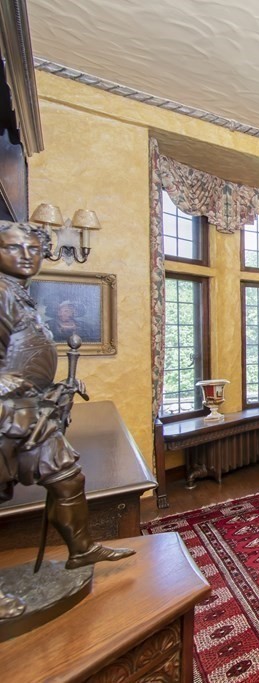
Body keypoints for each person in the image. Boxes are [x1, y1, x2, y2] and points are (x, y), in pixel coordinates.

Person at [0, 221, 133, 619]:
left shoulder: (19, 295)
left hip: (30, 407)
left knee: (67, 476)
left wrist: (52, 387)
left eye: (33, 248)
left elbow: (25, 355)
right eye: (14, 247)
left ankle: (81, 549)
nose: (27, 256)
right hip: (6, 411)